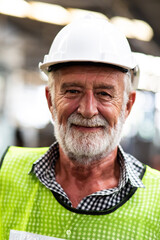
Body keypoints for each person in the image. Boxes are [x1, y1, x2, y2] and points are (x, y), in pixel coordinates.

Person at [0, 16, 160, 240]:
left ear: (127, 106)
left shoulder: (157, 203)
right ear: (50, 100)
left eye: (104, 94)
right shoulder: (4, 174)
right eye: (72, 91)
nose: (87, 109)